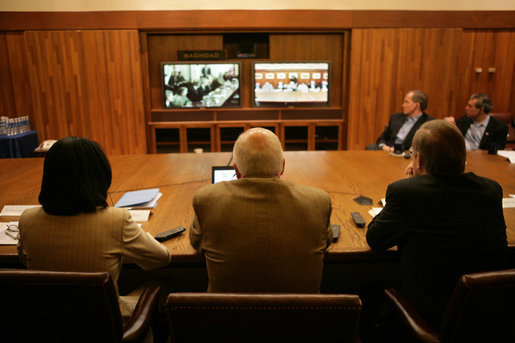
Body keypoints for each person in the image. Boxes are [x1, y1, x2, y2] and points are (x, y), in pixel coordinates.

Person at [366, 120, 507, 330]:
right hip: (483, 315)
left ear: (419, 160)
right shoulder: (491, 190)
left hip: (427, 317)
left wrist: (409, 184)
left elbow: (375, 239)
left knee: (365, 292)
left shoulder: (407, 192)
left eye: (412, 154)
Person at [17, 136, 172, 320]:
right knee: (163, 283)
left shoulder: (27, 219)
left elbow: (24, 260)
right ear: (100, 175)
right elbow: (161, 259)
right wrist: (142, 235)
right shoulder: (116, 220)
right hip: (106, 327)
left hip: (49, 325)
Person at [189, 127, 333, 293]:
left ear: (236, 170)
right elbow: (327, 241)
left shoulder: (205, 200)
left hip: (227, 315)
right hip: (301, 316)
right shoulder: (318, 201)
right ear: (282, 167)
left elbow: (196, 242)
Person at [366, 90, 433, 151]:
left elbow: (422, 148)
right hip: (387, 150)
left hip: (406, 154)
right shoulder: (395, 117)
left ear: (417, 105)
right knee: (370, 147)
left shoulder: (428, 123)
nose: (403, 105)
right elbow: (382, 138)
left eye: (406, 102)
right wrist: (384, 147)